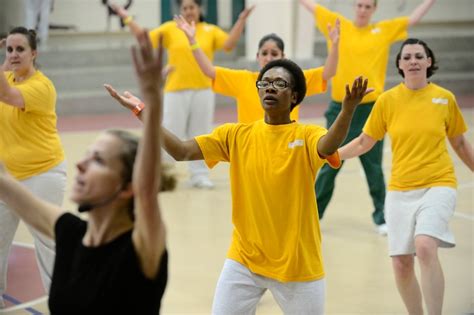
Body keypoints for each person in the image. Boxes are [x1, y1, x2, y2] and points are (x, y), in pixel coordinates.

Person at [160, 57, 372, 312]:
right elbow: (181, 152)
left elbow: (329, 145)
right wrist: (145, 114)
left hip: (297, 264)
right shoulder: (235, 135)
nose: (270, 88)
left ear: (294, 97)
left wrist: (347, 110)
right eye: (265, 83)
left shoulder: (306, 135)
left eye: (279, 83)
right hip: (245, 259)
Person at [0, 30, 170, 314]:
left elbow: (148, 192)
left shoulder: (141, 248)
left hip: (41, 171)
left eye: (99, 161)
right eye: (88, 156)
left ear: (129, 186)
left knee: (46, 252)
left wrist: (151, 106)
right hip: (18, 170)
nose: (80, 163)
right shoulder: (69, 232)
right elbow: (5, 183)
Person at [339, 38, 473, 315]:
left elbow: (459, 144)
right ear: (399, 65)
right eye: (407, 57)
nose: (413, 61)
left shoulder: (444, 98)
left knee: (424, 245)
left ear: (428, 62)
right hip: (400, 190)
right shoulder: (387, 101)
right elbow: (365, 142)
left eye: (418, 56)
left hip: (438, 183)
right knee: (401, 264)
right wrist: (331, 155)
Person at [299, 0, 436, 234]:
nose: (362, 10)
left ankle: (382, 218)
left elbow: (412, 19)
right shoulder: (339, 24)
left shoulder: (383, 30)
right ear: (354, 7)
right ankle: (313, 215)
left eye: (367, 7)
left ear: (374, 9)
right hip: (340, 109)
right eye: (359, 5)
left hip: (371, 109)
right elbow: (311, 6)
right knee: (329, 164)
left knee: (373, 166)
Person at [112, 0, 254, 189]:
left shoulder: (210, 30)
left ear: (199, 9)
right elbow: (143, 37)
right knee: (170, 131)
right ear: (180, 11)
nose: (188, 11)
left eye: (192, 7)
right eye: (185, 8)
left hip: (203, 90)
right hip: (175, 90)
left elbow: (229, 44)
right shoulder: (171, 29)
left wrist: (241, 20)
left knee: (201, 133)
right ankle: (164, 174)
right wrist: (126, 17)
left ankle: (200, 175)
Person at [0, 27, 66, 309]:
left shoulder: (41, 86)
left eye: (20, 50)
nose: (14, 55)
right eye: (10, 50)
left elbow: (8, 96)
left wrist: (4, 62)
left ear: (34, 53)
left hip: (43, 176)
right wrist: (6, 62)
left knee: (48, 246)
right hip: (8, 178)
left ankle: (63, 305)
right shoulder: (7, 77)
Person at [174, 14, 340, 123]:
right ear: (257, 56)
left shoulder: (294, 79)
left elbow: (329, 72)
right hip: (251, 149)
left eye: (274, 53)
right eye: (264, 53)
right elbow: (209, 71)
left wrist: (335, 45)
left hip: (285, 147)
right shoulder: (243, 79)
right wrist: (192, 42)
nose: (268, 58)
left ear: (282, 56)